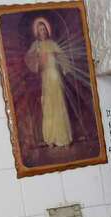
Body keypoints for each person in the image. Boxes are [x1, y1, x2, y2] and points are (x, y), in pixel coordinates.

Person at [24, 16, 72, 148]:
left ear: (47, 30)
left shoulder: (52, 44)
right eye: (40, 30)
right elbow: (29, 59)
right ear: (37, 32)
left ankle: (63, 139)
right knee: (48, 106)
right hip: (45, 78)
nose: (43, 32)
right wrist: (39, 61)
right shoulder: (36, 45)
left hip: (55, 77)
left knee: (59, 105)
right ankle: (50, 139)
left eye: (44, 29)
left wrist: (64, 68)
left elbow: (62, 57)